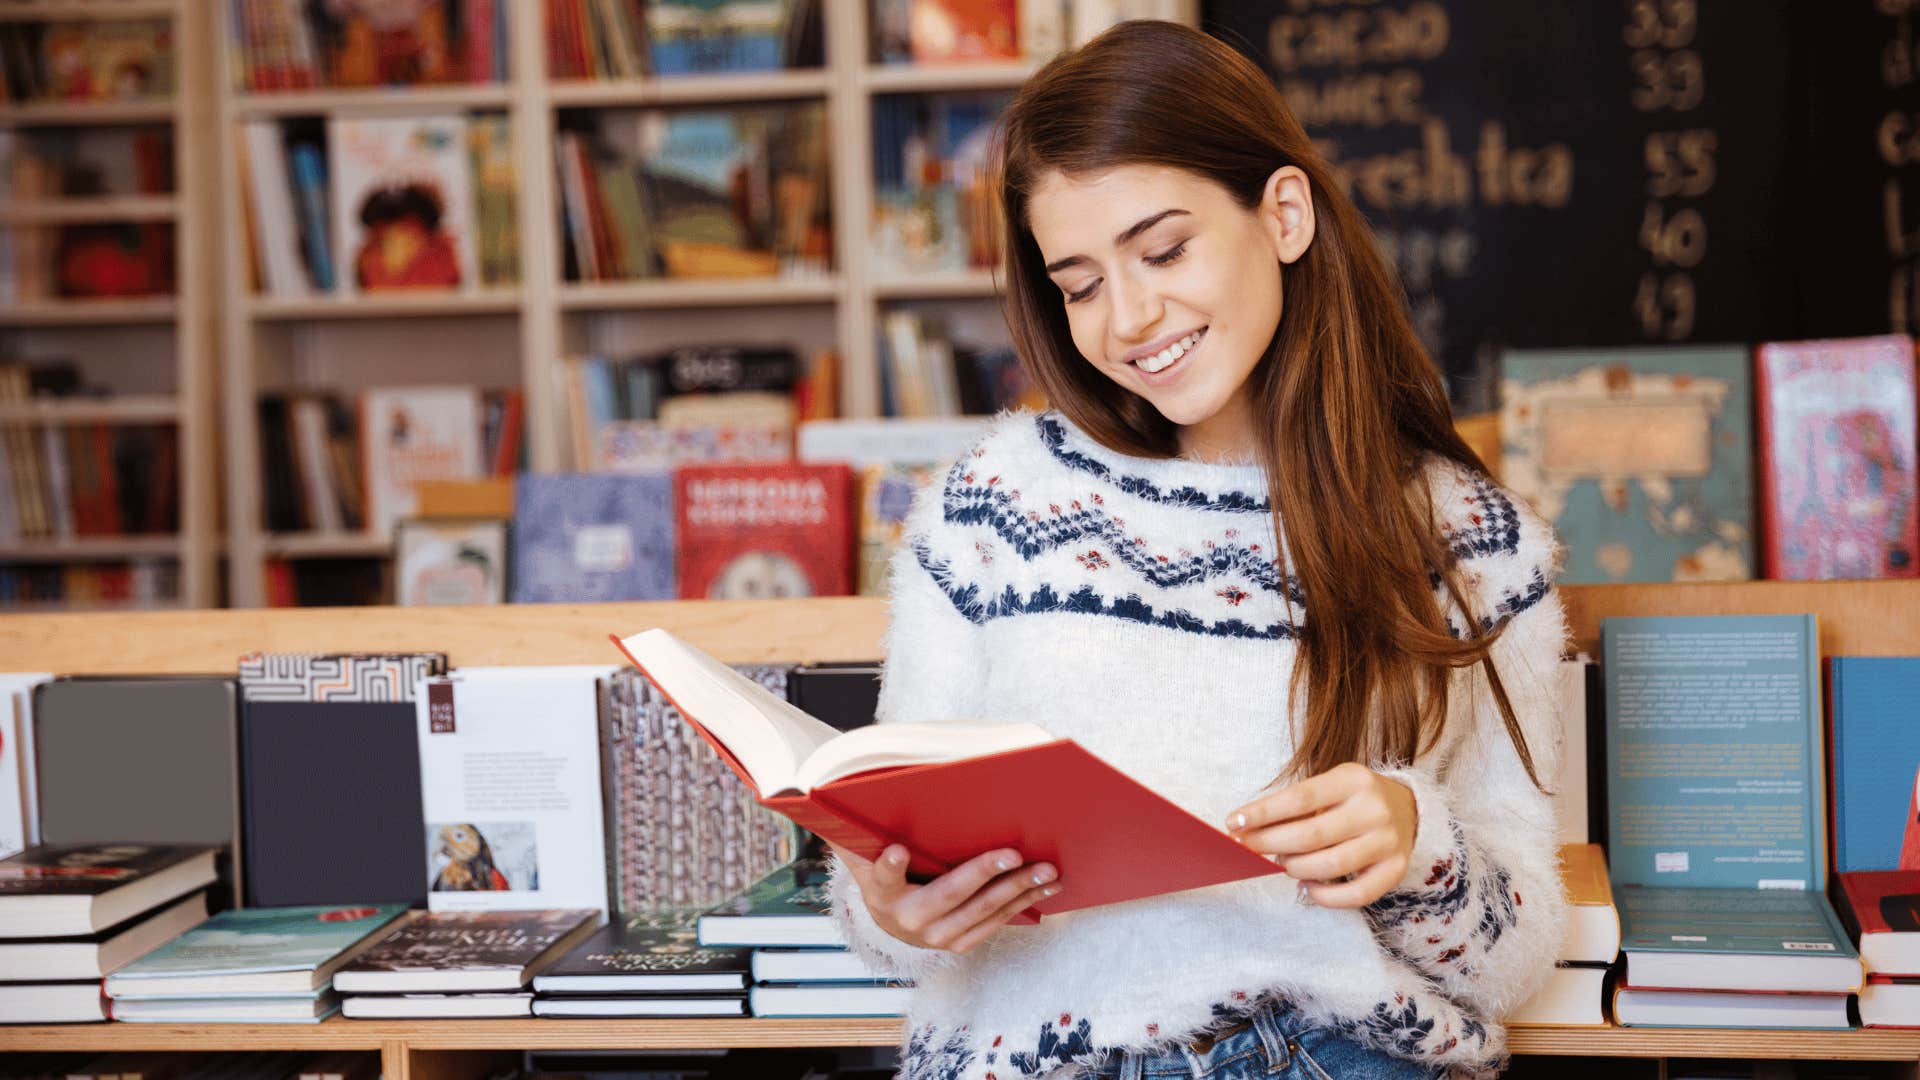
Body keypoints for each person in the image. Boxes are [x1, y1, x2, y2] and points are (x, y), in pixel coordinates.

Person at [827, 20, 1568, 1080]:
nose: (1128, 317)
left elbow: (1517, 955)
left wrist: (1416, 843)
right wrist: (893, 906)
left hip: (1332, 1055)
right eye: (1078, 284)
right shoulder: (991, 505)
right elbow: (885, 908)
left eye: (1163, 249)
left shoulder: (1471, 544)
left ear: (1283, 213)